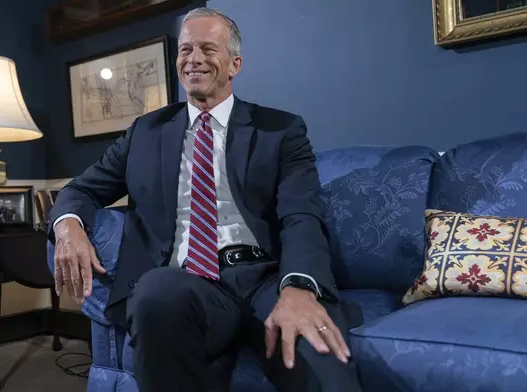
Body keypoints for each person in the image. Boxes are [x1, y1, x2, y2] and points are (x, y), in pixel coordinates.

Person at [49, 7, 363, 392]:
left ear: (235, 64)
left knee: (324, 361)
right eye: (185, 50)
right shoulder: (144, 133)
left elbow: (302, 214)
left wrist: (298, 287)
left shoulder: (280, 130)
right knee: (155, 292)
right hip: (187, 286)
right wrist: (68, 226)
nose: (193, 59)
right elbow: (80, 189)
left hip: (268, 278)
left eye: (207, 49)